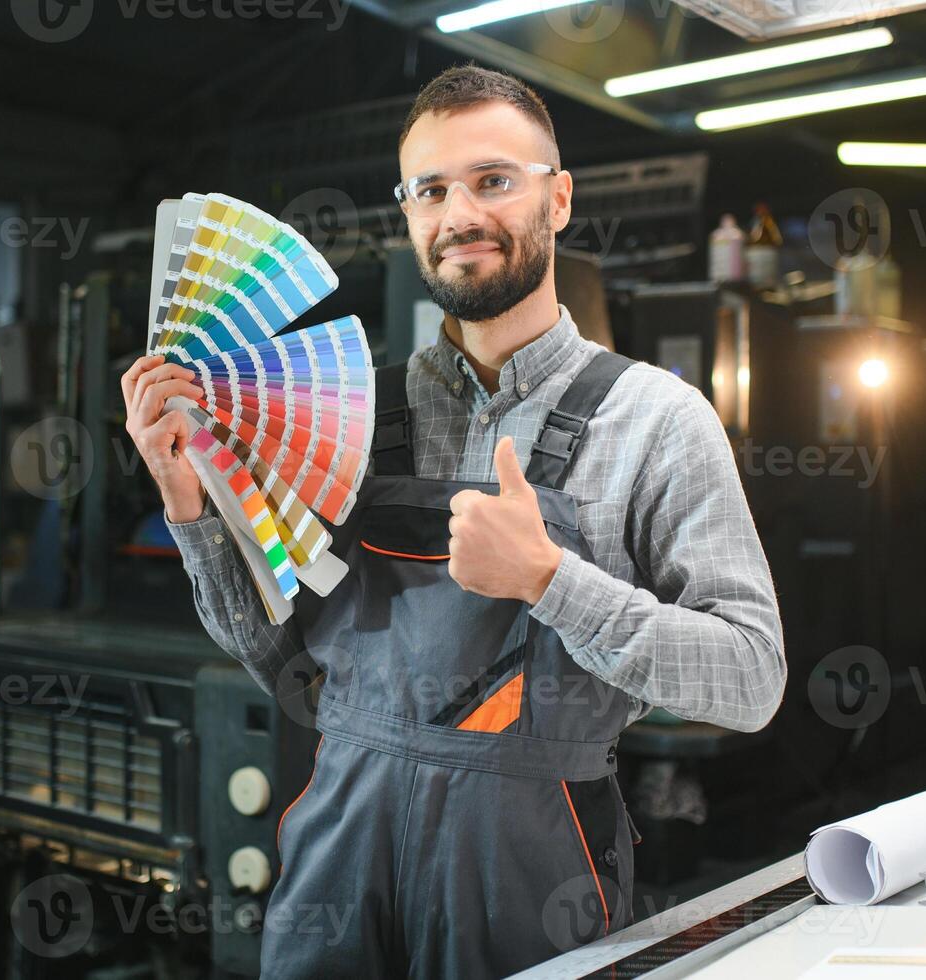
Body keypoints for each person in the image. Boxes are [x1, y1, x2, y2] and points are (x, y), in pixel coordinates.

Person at [122, 64, 786, 980]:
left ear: (556, 200)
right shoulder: (348, 414)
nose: (459, 213)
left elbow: (749, 682)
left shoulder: (658, 421)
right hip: (338, 855)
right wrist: (186, 502)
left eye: (493, 181)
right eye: (430, 189)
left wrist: (551, 580)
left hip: (524, 871)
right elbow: (281, 663)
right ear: (407, 212)